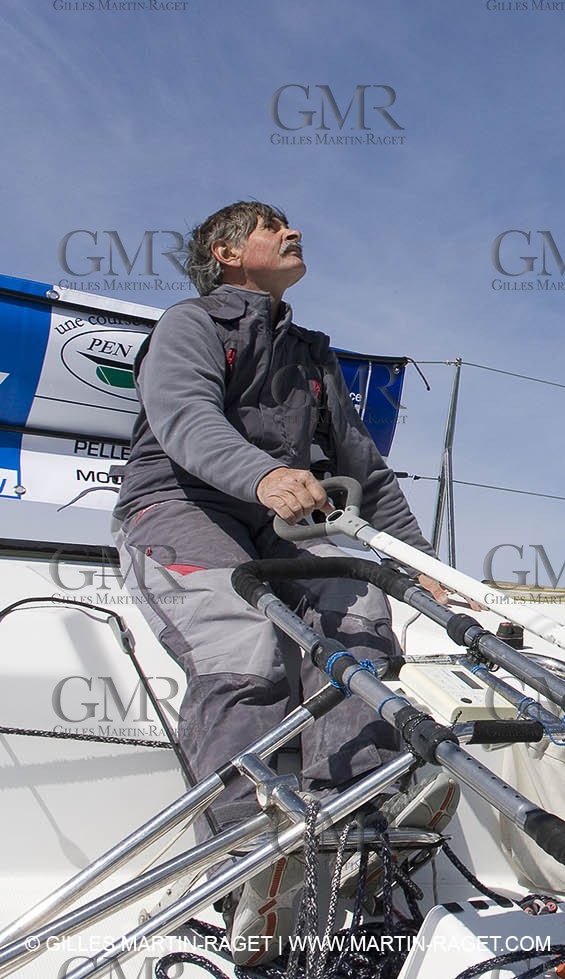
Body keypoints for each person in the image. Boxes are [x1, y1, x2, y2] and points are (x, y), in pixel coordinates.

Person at [113, 201, 455, 962]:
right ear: (227, 251)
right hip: (179, 505)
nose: (294, 233)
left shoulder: (311, 354)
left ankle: (358, 827)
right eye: (273, 227)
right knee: (244, 641)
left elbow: (367, 472)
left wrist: (426, 572)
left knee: (359, 616)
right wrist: (265, 475)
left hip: (285, 521)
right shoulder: (192, 325)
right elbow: (185, 419)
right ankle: (243, 864)